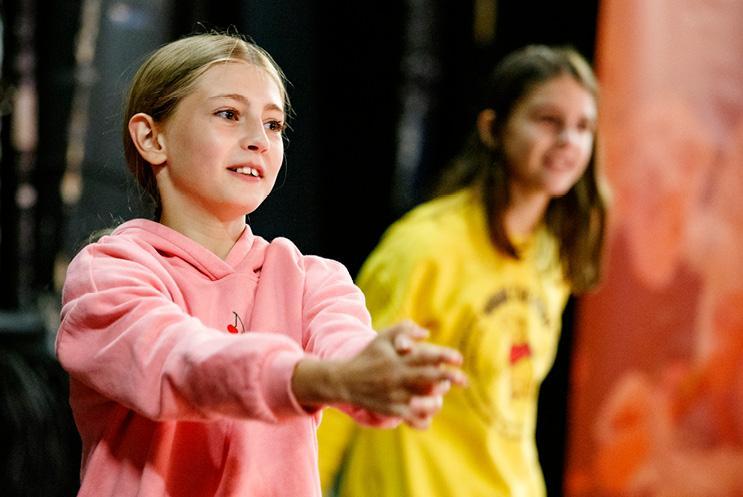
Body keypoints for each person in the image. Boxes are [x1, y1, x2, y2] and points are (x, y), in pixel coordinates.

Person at [55, 32, 466, 497]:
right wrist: (322, 378)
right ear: (152, 137)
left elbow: (348, 353)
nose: (258, 140)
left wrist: (383, 372)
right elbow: (179, 363)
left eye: (273, 125)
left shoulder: (314, 279)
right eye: (229, 115)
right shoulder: (109, 271)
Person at [317, 44, 608, 497]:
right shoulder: (425, 246)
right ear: (494, 128)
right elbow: (340, 389)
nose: (568, 140)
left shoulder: (552, 253)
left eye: (583, 127)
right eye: (548, 121)